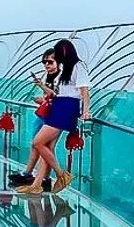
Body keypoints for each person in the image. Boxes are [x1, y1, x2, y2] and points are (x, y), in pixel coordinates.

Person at [18, 39, 91, 195]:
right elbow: (59, 92)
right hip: (59, 105)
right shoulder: (65, 68)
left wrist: (86, 111)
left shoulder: (78, 66)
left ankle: (61, 175)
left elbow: (84, 90)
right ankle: (36, 185)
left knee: (38, 142)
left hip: (67, 107)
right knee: (47, 147)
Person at [10, 49, 60, 190]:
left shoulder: (62, 78)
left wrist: (40, 85)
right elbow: (49, 97)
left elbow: (56, 96)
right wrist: (42, 99)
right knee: (36, 145)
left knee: (43, 146)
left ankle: (47, 177)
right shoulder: (49, 77)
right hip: (44, 113)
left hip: (53, 116)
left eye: (50, 62)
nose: (47, 65)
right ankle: (30, 174)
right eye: (44, 62)